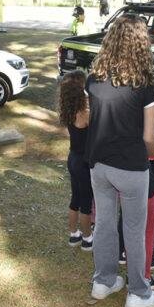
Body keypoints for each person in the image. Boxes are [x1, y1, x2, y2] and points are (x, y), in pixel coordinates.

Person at [85, 14, 154, 307]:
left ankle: (103, 281)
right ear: (142, 41)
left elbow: (90, 119)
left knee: (105, 224)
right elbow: (149, 137)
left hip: (99, 164)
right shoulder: (147, 81)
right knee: (134, 229)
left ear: (111, 38)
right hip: (131, 166)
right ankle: (138, 294)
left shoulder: (93, 77)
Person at [118, 124, 154, 290]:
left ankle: (128, 263)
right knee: (146, 234)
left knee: (131, 228)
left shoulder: (121, 126)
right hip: (145, 185)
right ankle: (143, 278)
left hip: (125, 181)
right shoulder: (153, 132)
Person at [58, 70, 94, 251]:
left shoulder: (68, 109)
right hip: (84, 163)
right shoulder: (85, 113)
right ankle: (88, 238)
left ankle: (74, 234)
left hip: (72, 158)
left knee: (75, 198)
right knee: (86, 202)